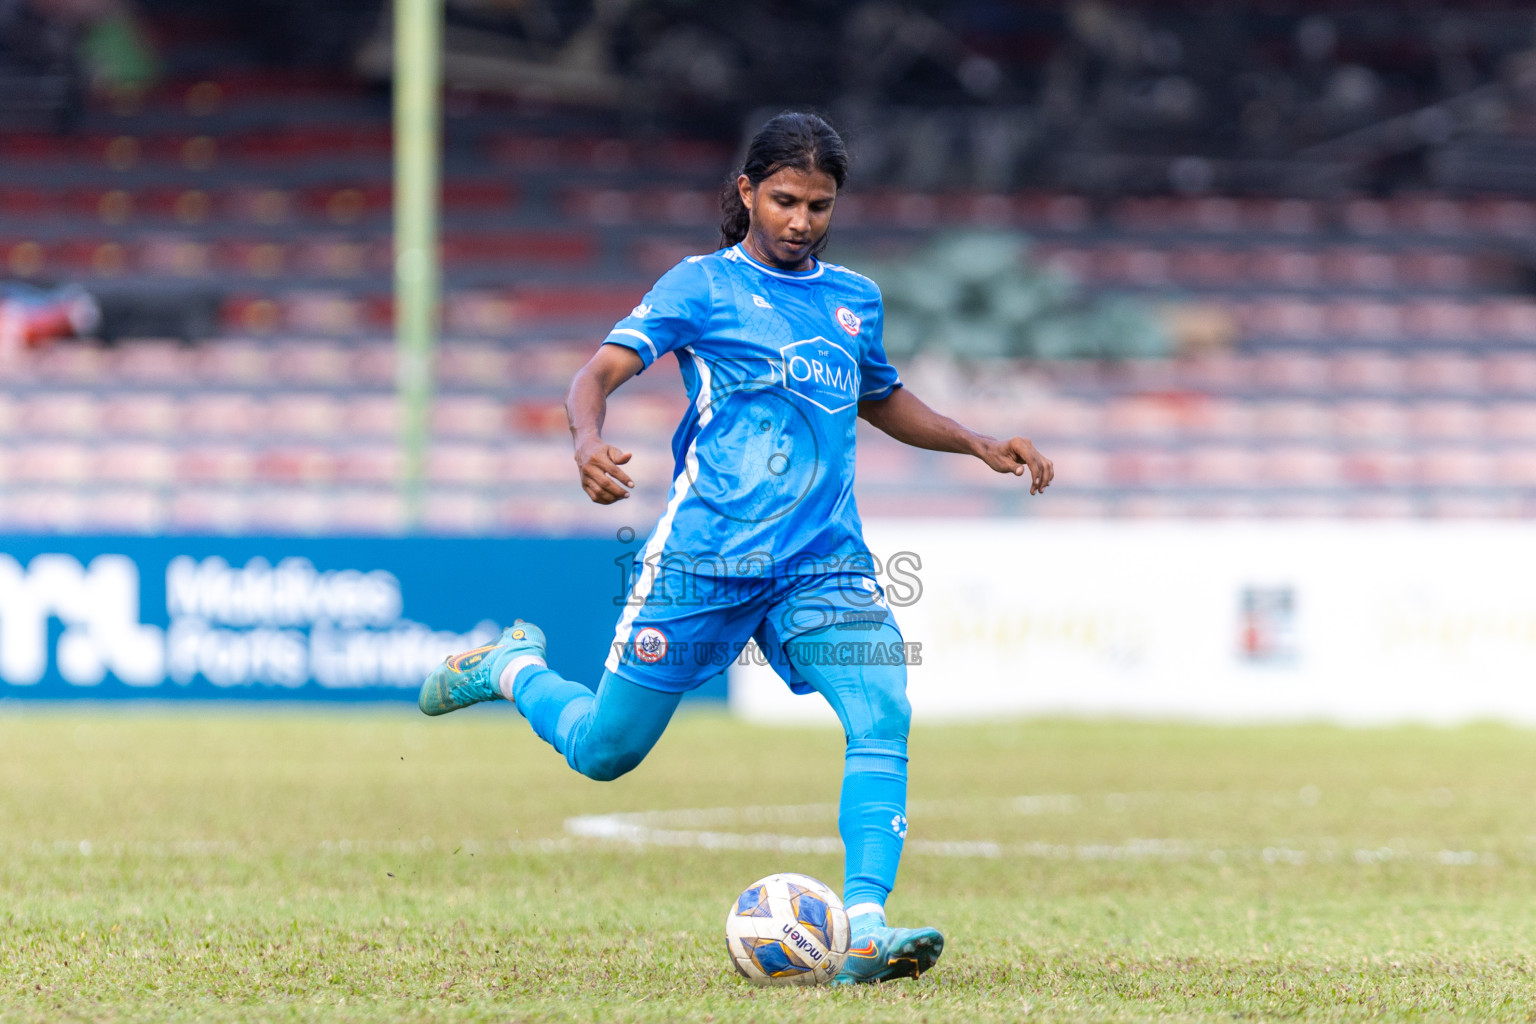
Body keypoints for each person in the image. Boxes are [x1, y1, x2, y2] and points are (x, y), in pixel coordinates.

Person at [419, 111, 1053, 985]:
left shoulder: (853, 298)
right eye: (785, 200)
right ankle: (511, 667)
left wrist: (975, 441)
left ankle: (863, 926)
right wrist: (584, 442)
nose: (801, 221)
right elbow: (595, 373)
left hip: (823, 564)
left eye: (820, 206)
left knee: (883, 714)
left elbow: (881, 397)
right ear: (747, 191)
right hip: (704, 561)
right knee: (606, 754)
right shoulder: (699, 286)